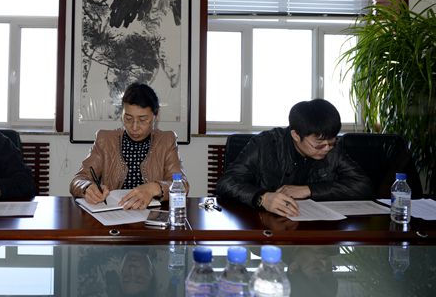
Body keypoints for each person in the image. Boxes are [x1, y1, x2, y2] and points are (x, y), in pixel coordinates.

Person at [216, 99, 372, 217]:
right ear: (296, 135)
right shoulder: (264, 145)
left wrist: (309, 190)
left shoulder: (333, 149)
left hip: (315, 229)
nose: (326, 149)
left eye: (331, 142)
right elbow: (226, 183)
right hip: (266, 227)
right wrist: (262, 198)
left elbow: (362, 185)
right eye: (319, 144)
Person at [70, 82, 188, 210]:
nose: (134, 127)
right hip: (114, 213)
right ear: (122, 114)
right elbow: (78, 180)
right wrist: (87, 188)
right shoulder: (105, 140)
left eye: (143, 120)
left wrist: (154, 188)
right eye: (128, 118)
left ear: (156, 116)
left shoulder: (166, 140)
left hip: (151, 214)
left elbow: (182, 184)